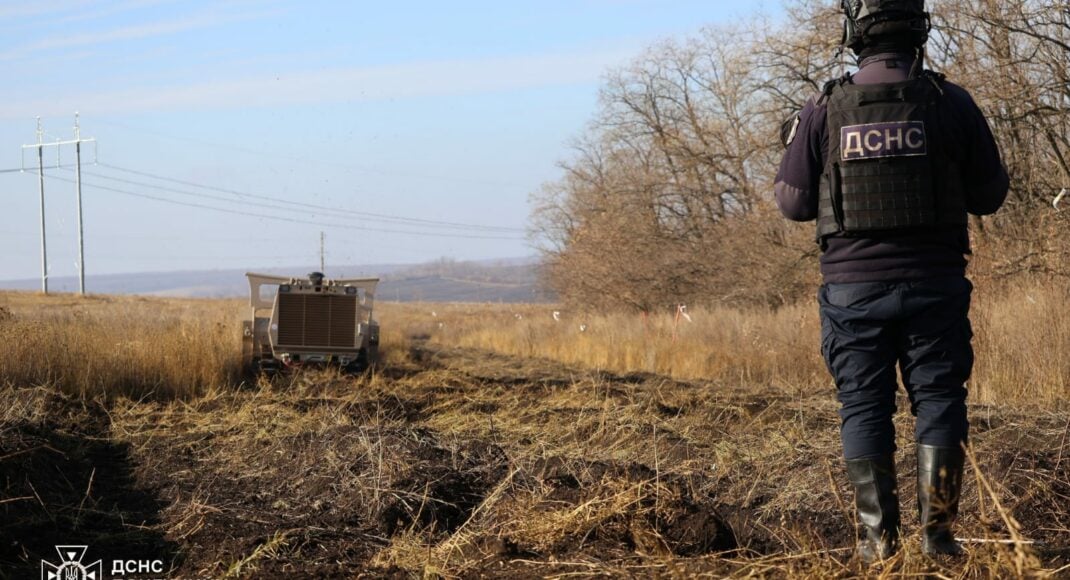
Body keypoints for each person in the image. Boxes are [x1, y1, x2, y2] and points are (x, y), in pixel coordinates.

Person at [774, 0, 1008, 563]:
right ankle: (939, 540)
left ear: (855, 38)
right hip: (935, 286)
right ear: (919, 36)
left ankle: (877, 544)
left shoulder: (823, 108)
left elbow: (793, 205)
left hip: (852, 292)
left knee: (862, 404)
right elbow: (991, 196)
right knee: (939, 398)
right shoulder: (952, 103)